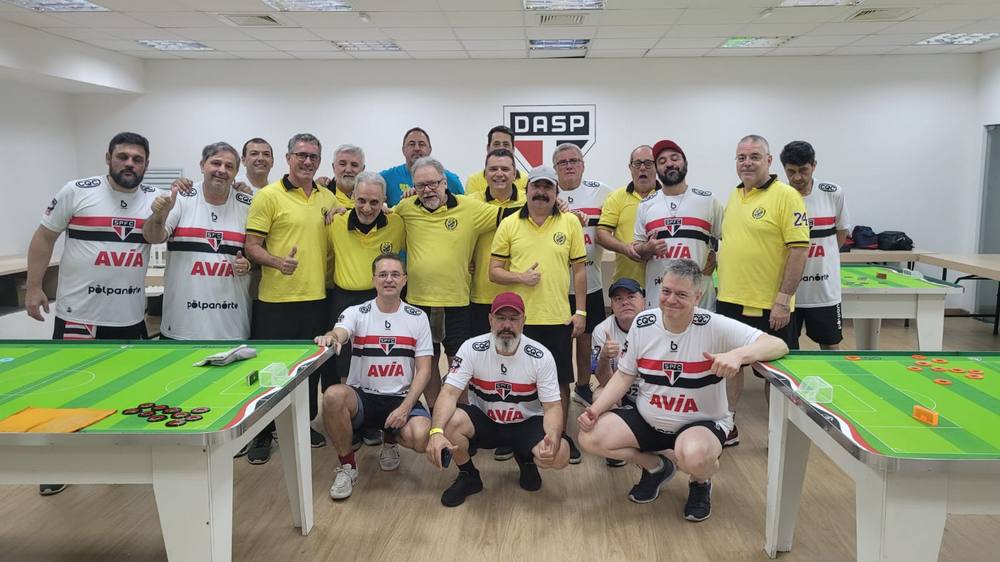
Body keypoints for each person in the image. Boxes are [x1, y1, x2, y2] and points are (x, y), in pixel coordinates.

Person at [577, 259, 788, 521]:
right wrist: (595, 410)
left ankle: (700, 482)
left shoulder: (714, 324)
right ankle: (657, 467)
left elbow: (777, 344)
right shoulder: (643, 323)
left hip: (699, 423)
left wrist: (738, 355)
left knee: (694, 457)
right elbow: (624, 375)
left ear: (697, 297)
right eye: (666, 291)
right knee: (590, 437)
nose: (671, 300)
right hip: (648, 419)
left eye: (681, 294)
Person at [25, 131, 157, 496]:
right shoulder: (77, 191)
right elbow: (43, 238)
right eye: (123, 156)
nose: (129, 164)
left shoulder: (155, 199)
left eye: (137, 159)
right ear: (108, 157)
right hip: (79, 316)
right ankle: (57, 465)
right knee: (68, 393)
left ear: (146, 164)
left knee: (127, 391)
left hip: (129, 317)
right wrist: (34, 286)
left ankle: (118, 459)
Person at [425, 292, 570, 507]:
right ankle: (469, 475)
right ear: (490, 320)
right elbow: (448, 393)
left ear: (524, 321)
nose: (507, 325)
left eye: (514, 318)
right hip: (486, 421)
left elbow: (552, 406)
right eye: (501, 318)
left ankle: (527, 459)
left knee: (561, 454)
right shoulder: (471, 348)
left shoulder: (541, 356)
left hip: (525, 423)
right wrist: (435, 432)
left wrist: (553, 438)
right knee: (447, 423)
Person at [244, 133, 338, 463]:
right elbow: (251, 246)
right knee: (272, 370)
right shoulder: (268, 196)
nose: (307, 161)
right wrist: (276, 262)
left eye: (313, 156)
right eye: (301, 155)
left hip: (317, 298)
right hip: (276, 301)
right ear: (288, 158)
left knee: (307, 371)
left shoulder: (328, 197)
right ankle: (262, 432)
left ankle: (302, 424)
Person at [716, 134, 810, 447]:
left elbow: (799, 250)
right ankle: (727, 424)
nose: (747, 163)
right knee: (731, 367)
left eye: (755, 157)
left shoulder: (787, 196)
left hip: (769, 305)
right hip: (730, 299)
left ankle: (780, 436)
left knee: (775, 373)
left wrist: (783, 301)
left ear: (769, 161)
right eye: (741, 157)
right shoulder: (734, 195)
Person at [315, 253, 433, 500]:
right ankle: (348, 467)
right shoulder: (356, 312)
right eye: (383, 274)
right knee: (333, 395)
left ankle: (390, 439)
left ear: (404, 280)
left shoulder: (418, 317)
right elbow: (340, 332)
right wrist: (332, 337)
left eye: (395, 274)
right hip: (363, 397)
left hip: (399, 398)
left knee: (422, 437)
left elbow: (424, 370)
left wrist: (405, 408)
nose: (389, 279)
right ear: (373, 280)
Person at [489, 165, 587, 463]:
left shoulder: (570, 222)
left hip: (558, 318)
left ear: (556, 193)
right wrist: (520, 277)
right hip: (518, 321)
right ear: (526, 190)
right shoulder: (509, 224)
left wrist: (581, 311)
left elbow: (579, 270)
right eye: (536, 187)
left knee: (559, 381)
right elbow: (494, 271)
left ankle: (559, 435)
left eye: (548, 188)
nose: (541, 193)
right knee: (517, 380)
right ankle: (513, 434)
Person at [393, 157, 502, 406]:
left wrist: (556, 206)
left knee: (458, 361)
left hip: (457, 300)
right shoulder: (405, 208)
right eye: (420, 185)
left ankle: (459, 411)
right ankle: (433, 410)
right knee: (426, 360)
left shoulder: (470, 208)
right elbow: (378, 213)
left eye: (433, 183)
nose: (427, 190)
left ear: (444, 182)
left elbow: (512, 215)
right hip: (418, 301)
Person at [142, 141, 253, 340]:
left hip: (232, 328)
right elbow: (152, 237)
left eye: (229, 166)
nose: (222, 170)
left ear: (236, 172)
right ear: (202, 165)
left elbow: (258, 253)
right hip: (181, 327)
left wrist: (249, 264)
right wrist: (158, 216)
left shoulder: (248, 204)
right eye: (216, 163)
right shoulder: (180, 197)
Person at [551, 143, 611, 409]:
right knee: (559, 340)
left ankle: (583, 386)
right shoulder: (547, 192)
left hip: (590, 281)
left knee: (586, 340)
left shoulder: (602, 192)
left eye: (574, 160)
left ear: (583, 165)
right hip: (556, 285)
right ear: (555, 168)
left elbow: (615, 225)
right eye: (562, 162)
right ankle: (555, 388)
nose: (569, 166)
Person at [634, 139, 723, 309]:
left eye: (674, 158)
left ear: (685, 163)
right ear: (656, 169)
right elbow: (637, 250)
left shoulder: (708, 201)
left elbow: (728, 242)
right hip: (659, 299)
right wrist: (647, 248)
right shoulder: (645, 205)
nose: (669, 164)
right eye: (662, 161)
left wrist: (715, 261)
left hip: (699, 299)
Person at [780, 141, 851, 351]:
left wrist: (824, 257)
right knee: (784, 349)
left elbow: (841, 233)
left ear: (814, 165)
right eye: (791, 171)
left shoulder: (833, 193)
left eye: (803, 170)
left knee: (831, 346)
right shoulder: (778, 196)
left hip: (824, 291)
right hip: (787, 293)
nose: (797, 177)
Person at [590, 277, 646, 467]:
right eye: (618, 299)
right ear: (612, 305)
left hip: (652, 395)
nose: (625, 302)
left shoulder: (656, 325)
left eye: (631, 297)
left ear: (643, 301)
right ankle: (615, 444)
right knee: (599, 395)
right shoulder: (601, 330)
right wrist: (604, 357)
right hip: (622, 394)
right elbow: (602, 380)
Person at [596, 145, 660, 295]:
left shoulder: (667, 197)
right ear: (630, 168)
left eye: (648, 163)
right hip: (627, 285)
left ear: (657, 167)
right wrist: (625, 248)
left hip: (664, 285)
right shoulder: (617, 197)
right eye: (637, 163)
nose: (642, 168)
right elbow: (601, 234)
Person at [380, 127, 463, 206]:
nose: (417, 148)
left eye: (422, 144)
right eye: (411, 144)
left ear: (430, 150)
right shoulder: (386, 178)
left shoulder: (450, 179)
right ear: (403, 150)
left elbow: (463, 206)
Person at [464, 126, 527, 194]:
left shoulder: (525, 180)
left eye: (506, 144)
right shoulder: (474, 181)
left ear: (513, 150)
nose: (501, 148)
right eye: (496, 144)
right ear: (488, 148)